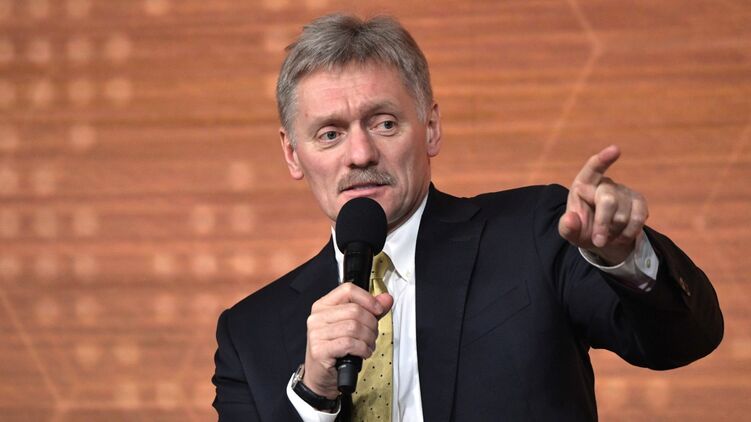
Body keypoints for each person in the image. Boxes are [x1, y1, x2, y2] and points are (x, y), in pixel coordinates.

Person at [211, 13, 723, 422]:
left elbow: (684, 340)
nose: (360, 154)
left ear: (431, 127)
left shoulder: (535, 233)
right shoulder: (249, 333)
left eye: (384, 123)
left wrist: (625, 258)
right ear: (293, 154)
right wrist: (314, 395)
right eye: (330, 134)